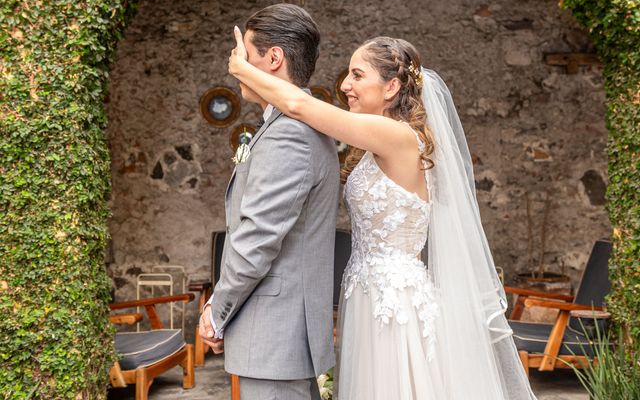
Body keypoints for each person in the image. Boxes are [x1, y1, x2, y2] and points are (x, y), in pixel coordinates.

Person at [228, 30, 538, 399]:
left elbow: (299, 106)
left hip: (395, 303)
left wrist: (241, 68)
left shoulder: (398, 136)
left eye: (357, 75)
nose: (345, 85)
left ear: (391, 87)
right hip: (367, 293)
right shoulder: (375, 143)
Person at [199, 4, 340, 400]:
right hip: (277, 334)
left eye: (245, 51)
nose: (236, 62)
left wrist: (216, 311)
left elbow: (258, 236)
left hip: (276, 333)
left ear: (273, 58)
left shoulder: (289, 134)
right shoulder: (295, 126)